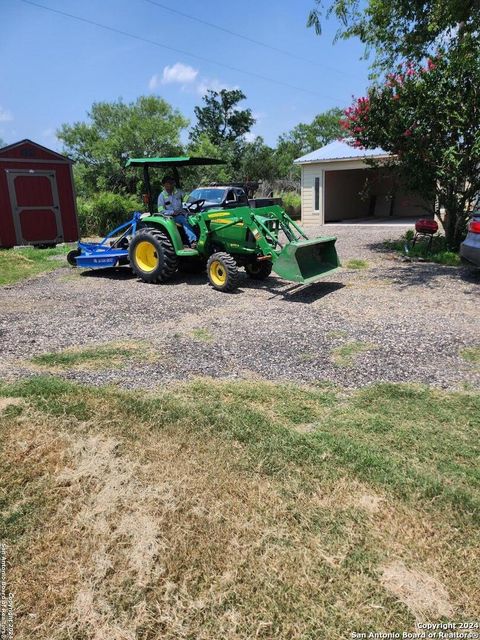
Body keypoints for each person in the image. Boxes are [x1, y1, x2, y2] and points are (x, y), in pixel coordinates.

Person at [158, 175, 197, 248]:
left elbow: (187, 199)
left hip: (181, 213)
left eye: (171, 183)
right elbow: (161, 210)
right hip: (170, 217)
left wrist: (197, 200)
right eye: (167, 183)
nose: (169, 185)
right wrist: (172, 212)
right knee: (184, 221)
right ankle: (193, 241)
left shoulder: (178, 192)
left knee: (195, 217)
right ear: (164, 185)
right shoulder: (162, 196)